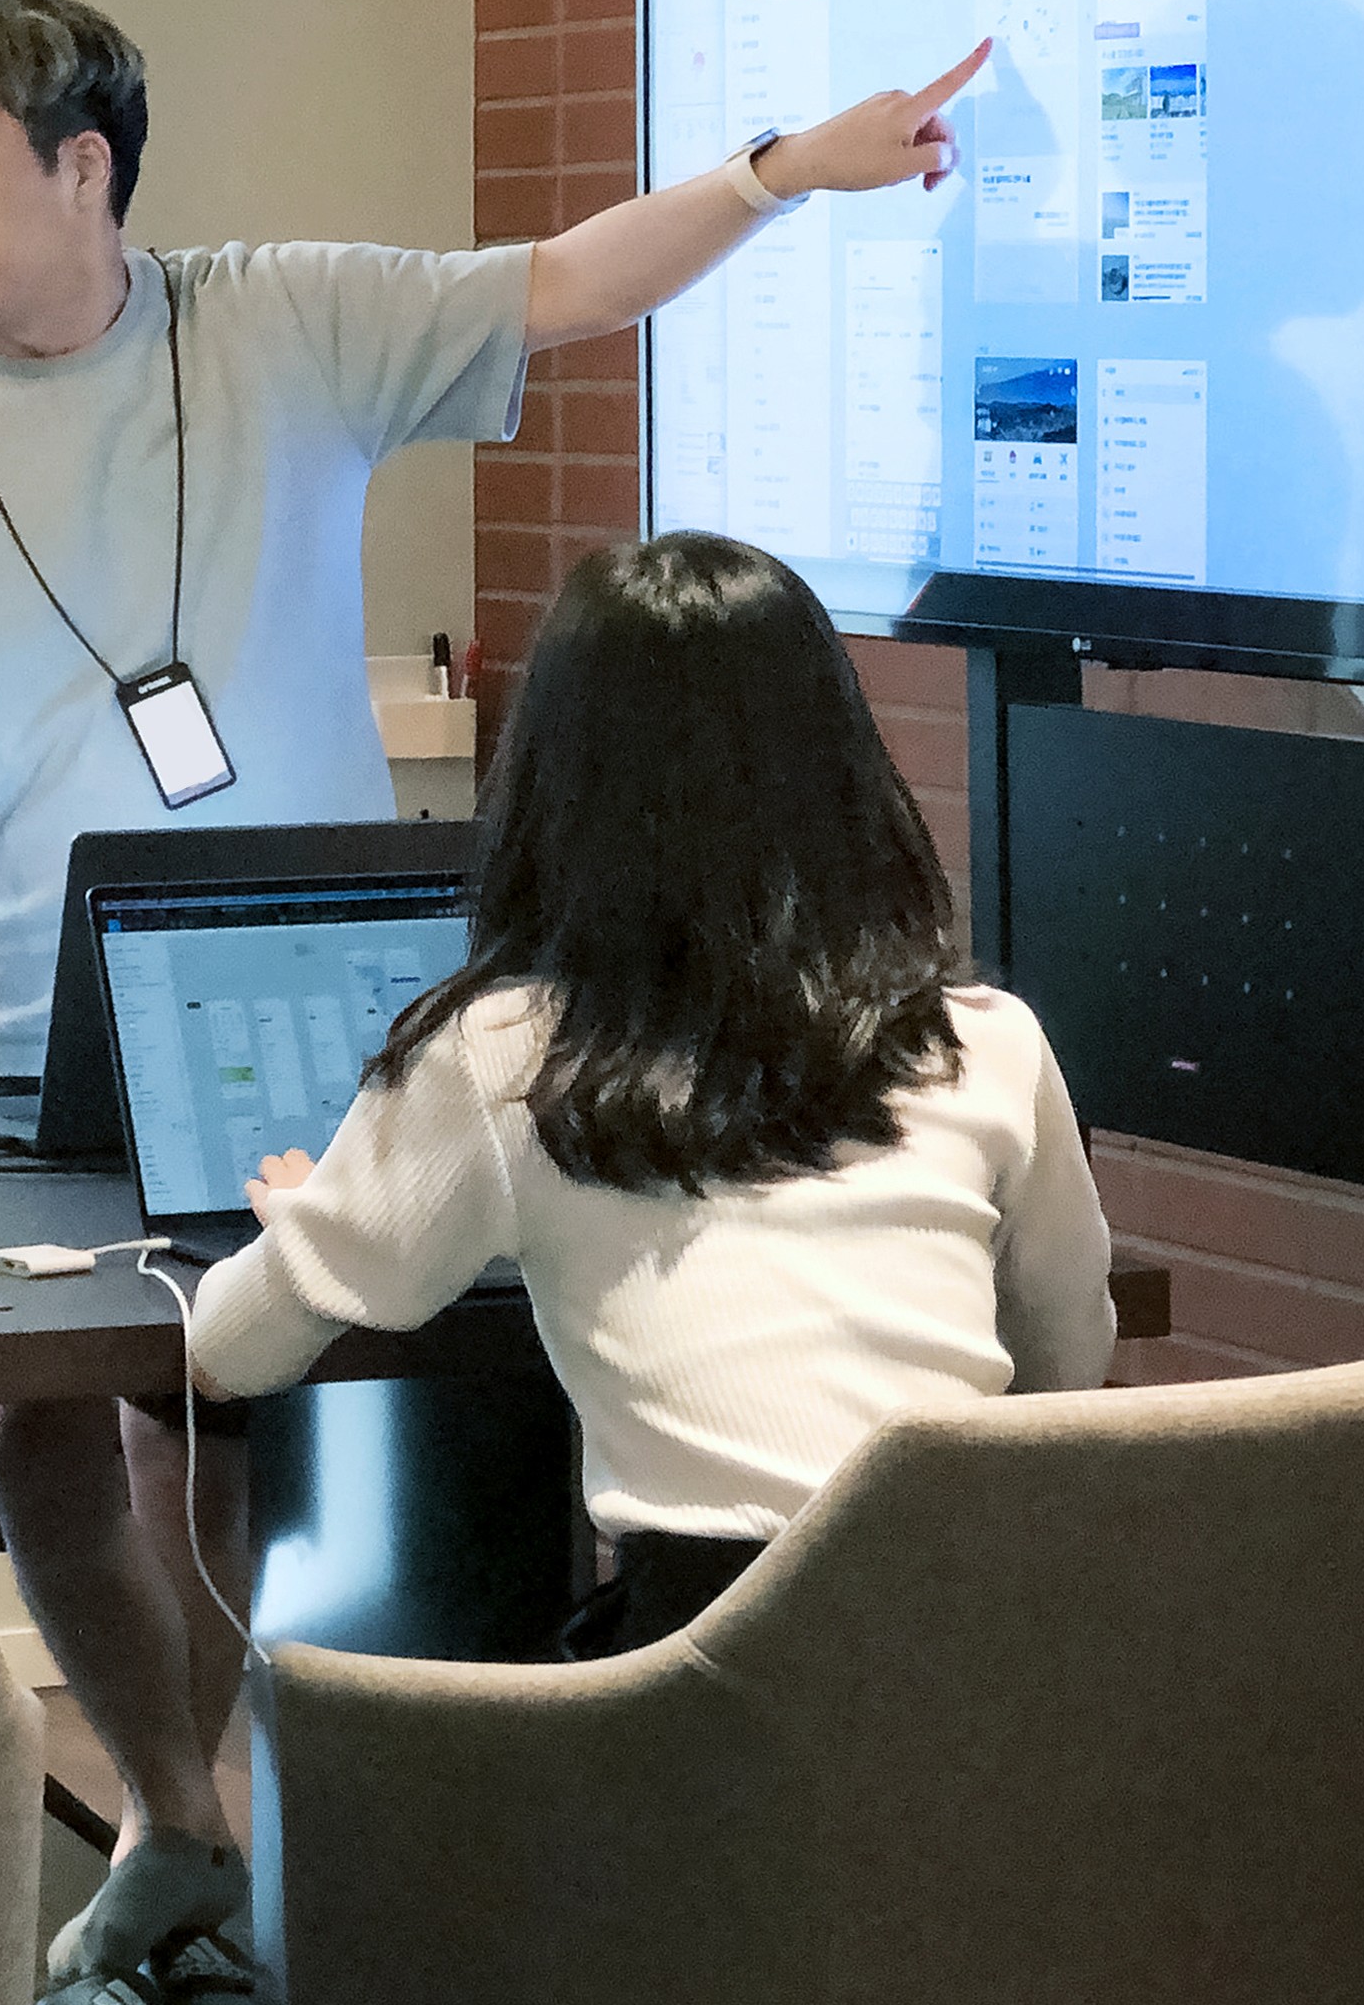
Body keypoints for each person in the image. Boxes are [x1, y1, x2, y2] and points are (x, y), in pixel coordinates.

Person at [0, 0, 990, 1993]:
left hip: (283, 995)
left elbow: (567, 281)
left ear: (82, 167)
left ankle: (220, 1829)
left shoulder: (283, 319)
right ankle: (180, 1819)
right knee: (33, 1434)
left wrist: (788, 169)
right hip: (24, 1030)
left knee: (223, 1415)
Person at [188, 531, 1119, 1658]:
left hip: (711, 1669)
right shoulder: (986, 1040)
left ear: (555, 782)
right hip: (988, 1653)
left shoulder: (505, 1054)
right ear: (844, 767)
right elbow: (1067, 1363)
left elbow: (228, 1352)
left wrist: (309, 1222)